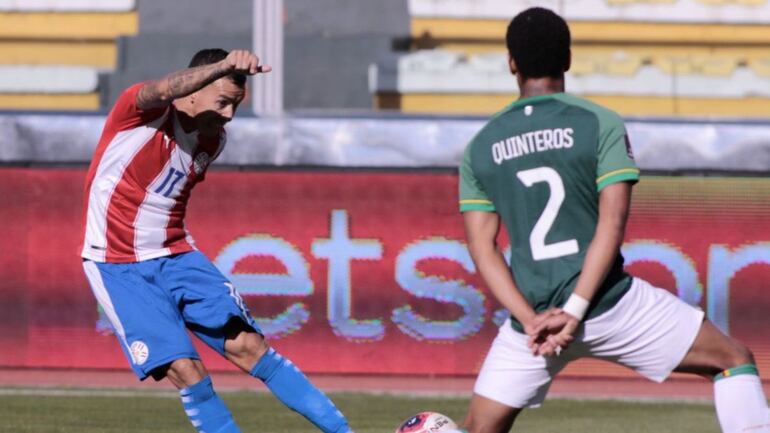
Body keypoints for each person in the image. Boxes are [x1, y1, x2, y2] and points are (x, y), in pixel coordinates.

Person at [457, 8, 770, 433]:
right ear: (567, 59)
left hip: (530, 325)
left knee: (478, 427)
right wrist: (575, 310)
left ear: (511, 63)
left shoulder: (481, 145)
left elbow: (481, 246)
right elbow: (612, 222)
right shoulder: (598, 121)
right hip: (609, 304)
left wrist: (530, 320)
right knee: (733, 360)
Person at [80, 48, 353, 433]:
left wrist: (225, 81)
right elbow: (164, 88)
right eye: (223, 101)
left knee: (251, 348)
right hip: (118, 265)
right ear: (193, 90)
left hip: (177, 256)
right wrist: (223, 66)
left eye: (236, 106)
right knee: (186, 369)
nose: (228, 115)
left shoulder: (213, 141)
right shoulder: (140, 113)